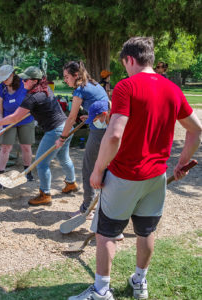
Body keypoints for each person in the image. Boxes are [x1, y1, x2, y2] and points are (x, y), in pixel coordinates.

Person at [68, 37, 202, 300]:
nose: (125, 69)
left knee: (105, 233)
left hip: (125, 174)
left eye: (124, 64)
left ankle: (101, 291)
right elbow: (196, 130)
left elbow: (115, 135)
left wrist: (97, 169)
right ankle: (139, 282)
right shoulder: (172, 89)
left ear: (129, 59)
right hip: (156, 176)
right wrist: (182, 162)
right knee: (146, 231)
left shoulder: (125, 86)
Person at [0, 66, 77, 206]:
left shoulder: (33, 97)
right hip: (66, 127)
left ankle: (45, 194)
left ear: (34, 81)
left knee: (41, 164)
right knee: (63, 157)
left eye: (26, 80)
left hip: (55, 131)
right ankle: (71, 183)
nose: (22, 82)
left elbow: (15, 117)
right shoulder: (45, 89)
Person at [55, 61, 109, 216]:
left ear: (76, 75)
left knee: (88, 168)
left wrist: (62, 137)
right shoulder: (94, 84)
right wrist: (91, 117)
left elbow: (71, 117)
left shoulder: (80, 90)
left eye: (67, 77)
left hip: (99, 132)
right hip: (108, 127)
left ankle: (87, 208)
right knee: (103, 168)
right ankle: (101, 206)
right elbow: (103, 106)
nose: (65, 80)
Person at [0, 64, 35, 189]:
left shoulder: (24, 85)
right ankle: (0, 176)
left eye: (6, 77)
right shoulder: (0, 89)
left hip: (25, 119)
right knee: (5, 148)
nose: (4, 80)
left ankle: (28, 172)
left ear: (12, 75)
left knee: (26, 147)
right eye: (2, 78)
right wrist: (0, 124)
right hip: (8, 121)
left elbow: (33, 100)